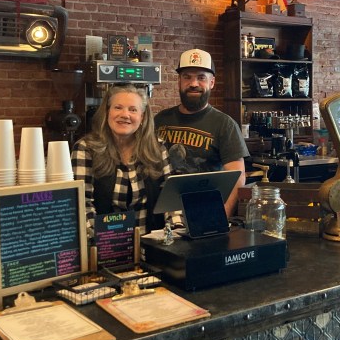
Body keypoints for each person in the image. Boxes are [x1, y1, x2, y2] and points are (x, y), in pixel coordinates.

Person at [154, 48, 249, 218]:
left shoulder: (225, 124)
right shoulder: (160, 119)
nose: (193, 83)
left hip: (204, 214)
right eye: (187, 77)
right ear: (179, 81)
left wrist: (221, 216)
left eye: (201, 77)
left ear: (212, 82)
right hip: (161, 215)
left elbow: (237, 176)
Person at [72, 84, 171, 234]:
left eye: (133, 110)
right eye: (118, 108)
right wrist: (99, 239)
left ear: (142, 117)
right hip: (106, 242)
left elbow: (169, 195)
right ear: (107, 112)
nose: (125, 114)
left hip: (151, 241)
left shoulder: (157, 147)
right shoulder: (86, 148)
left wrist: (174, 231)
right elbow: (81, 203)